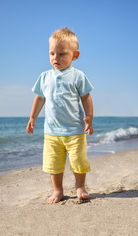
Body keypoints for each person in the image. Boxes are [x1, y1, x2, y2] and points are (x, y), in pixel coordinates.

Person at [26, 27, 94, 204]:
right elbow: (40, 98)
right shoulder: (45, 77)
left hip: (75, 130)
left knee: (79, 161)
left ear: (75, 55)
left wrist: (89, 117)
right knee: (54, 164)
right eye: (52, 53)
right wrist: (32, 117)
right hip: (52, 132)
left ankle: (80, 187)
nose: (56, 58)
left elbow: (86, 97)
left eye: (62, 54)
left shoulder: (78, 76)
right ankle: (58, 190)